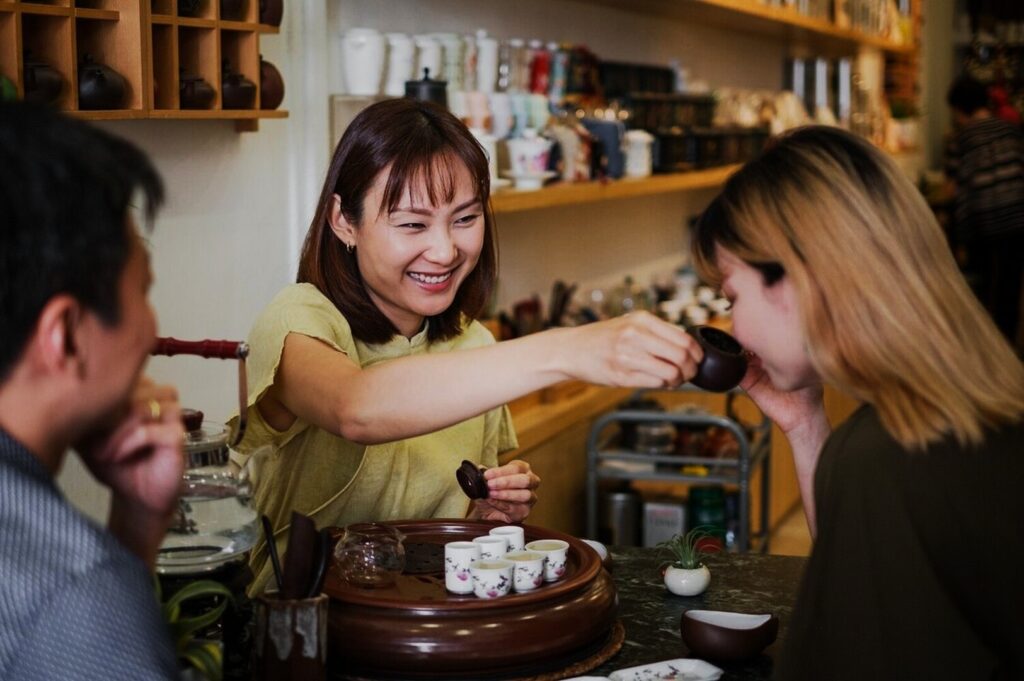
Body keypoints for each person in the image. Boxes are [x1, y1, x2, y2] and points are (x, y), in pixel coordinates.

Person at [232, 98, 704, 595]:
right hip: (301, 633)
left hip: (431, 623)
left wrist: (488, 513)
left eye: (465, 218)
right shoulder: (297, 320)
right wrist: (570, 349)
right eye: (412, 224)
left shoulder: (472, 343)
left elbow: (458, 531)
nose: (444, 250)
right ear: (343, 221)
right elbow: (355, 408)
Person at [692, 125, 1024, 680]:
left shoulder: (886, 457)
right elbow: (867, 578)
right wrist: (805, 425)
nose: (733, 326)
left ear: (798, 278)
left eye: (731, 297)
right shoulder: (965, 409)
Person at [0, 103, 184, 679]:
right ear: (65, 336)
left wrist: (135, 522)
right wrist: (108, 580)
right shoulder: (77, 592)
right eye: (142, 292)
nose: (150, 330)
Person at [945, 75, 1024, 349]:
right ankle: (1009, 349)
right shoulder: (1011, 129)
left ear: (959, 109)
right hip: (1017, 218)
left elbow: (953, 188)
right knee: (1009, 289)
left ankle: (984, 352)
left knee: (983, 287)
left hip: (984, 222)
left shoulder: (961, 138)